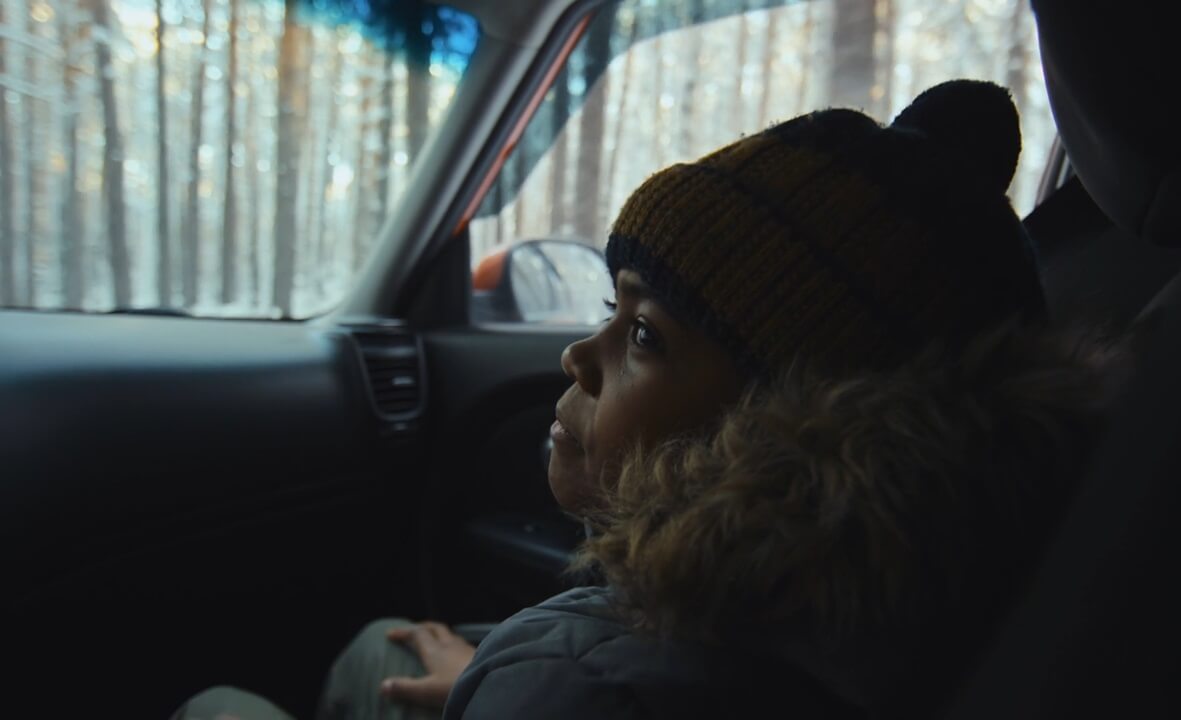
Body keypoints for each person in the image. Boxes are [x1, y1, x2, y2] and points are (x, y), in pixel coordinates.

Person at [174, 79, 1119, 720]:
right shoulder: (852, 601)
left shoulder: (589, 694)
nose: (577, 356)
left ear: (790, 430)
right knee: (378, 648)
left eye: (643, 336)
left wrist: (511, 683)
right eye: (607, 309)